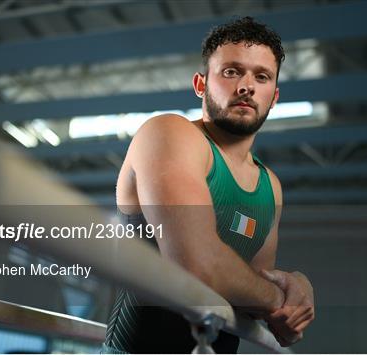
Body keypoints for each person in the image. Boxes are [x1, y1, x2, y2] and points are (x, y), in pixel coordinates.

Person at [102, 16, 314, 353]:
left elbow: (252, 295)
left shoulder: (270, 186)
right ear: (201, 85)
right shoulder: (168, 133)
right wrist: (281, 295)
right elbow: (197, 266)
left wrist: (296, 287)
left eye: (262, 77)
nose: (246, 86)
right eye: (231, 71)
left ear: (273, 96)